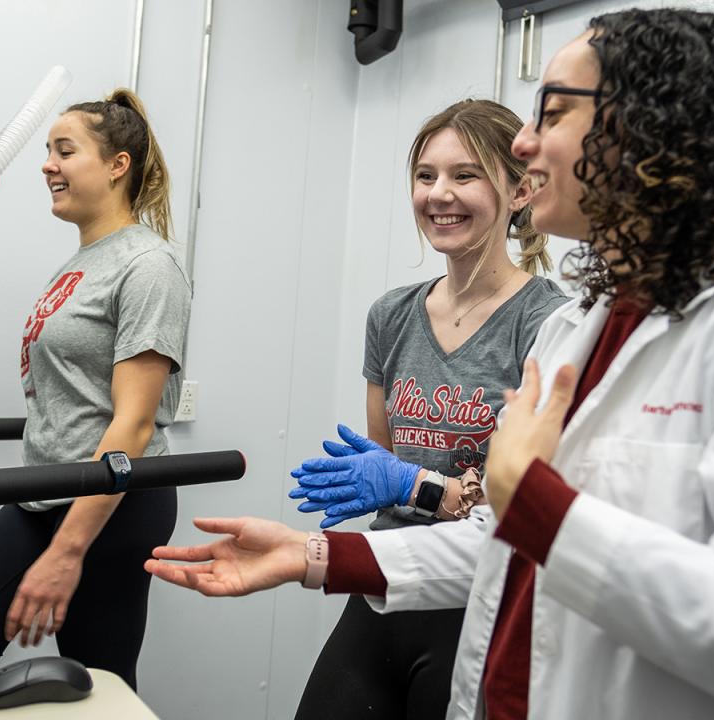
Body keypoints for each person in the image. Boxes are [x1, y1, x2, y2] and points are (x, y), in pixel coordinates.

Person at [146, 9, 714, 720]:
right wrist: (314, 555)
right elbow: (506, 540)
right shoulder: (580, 328)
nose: (522, 144)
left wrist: (538, 503)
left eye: (551, 113)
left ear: (648, 125)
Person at [287, 99, 566, 720]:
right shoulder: (391, 315)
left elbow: (520, 498)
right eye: (426, 175)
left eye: (465, 175)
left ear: (518, 191)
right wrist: (399, 482)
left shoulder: (546, 320)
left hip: (476, 600)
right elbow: (384, 462)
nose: (440, 194)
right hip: (387, 575)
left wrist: (414, 484)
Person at [0, 88, 190, 691]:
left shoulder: (149, 266)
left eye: (64, 151)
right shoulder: (81, 263)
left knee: (101, 687)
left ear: (117, 165)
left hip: (114, 503)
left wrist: (68, 553)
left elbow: (135, 425)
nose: (48, 164)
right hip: (45, 490)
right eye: (48, 151)